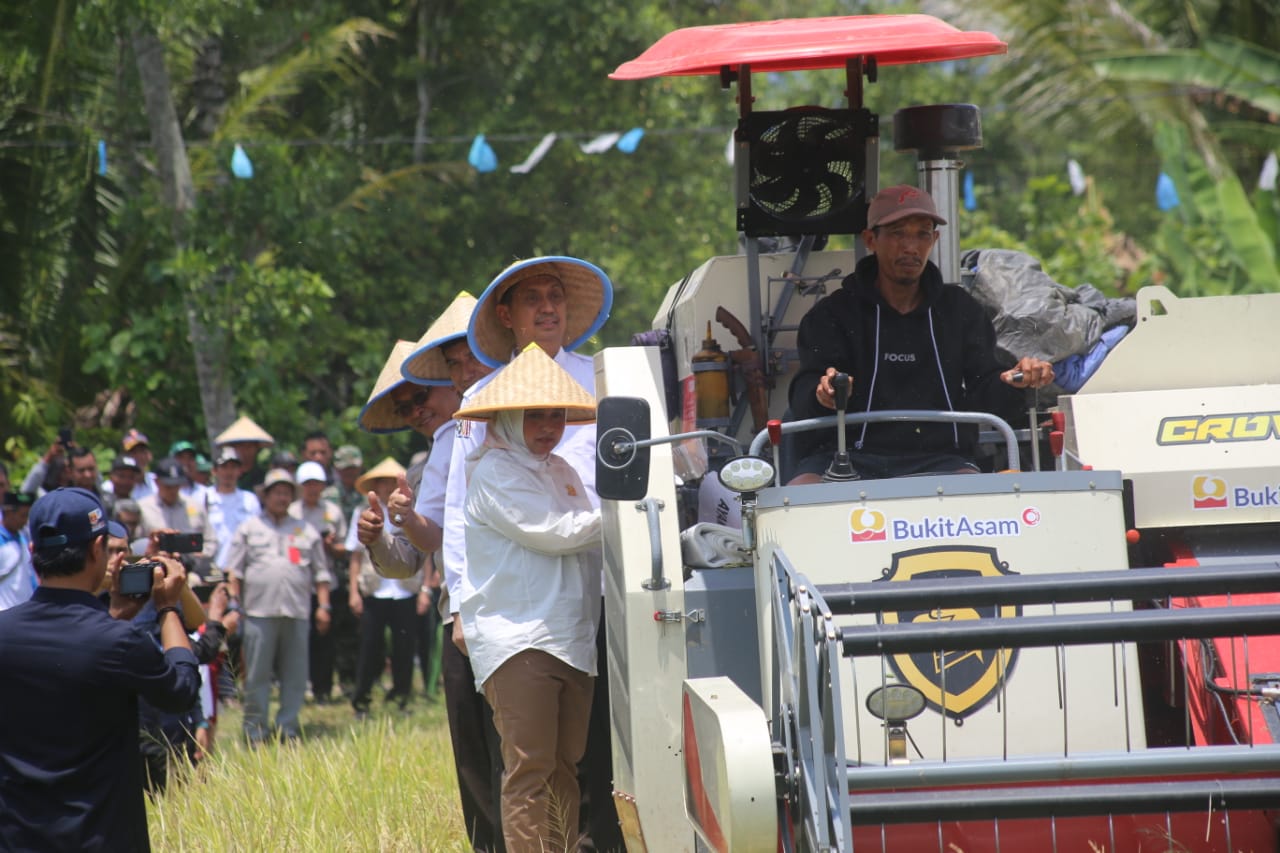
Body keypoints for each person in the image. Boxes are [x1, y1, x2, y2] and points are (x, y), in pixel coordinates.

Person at [458, 256, 622, 851]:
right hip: (521, 639)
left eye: (557, 412)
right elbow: (556, 533)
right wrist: (627, 514)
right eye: (536, 412)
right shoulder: (495, 471)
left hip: (571, 635)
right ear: (504, 413)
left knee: (564, 770)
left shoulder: (558, 471)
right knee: (529, 771)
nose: (550, 424)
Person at [788, 184, 1056, 484]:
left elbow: (988, 392)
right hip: (843, 460)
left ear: (935, 240)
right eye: (897, 233)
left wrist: (1019, 380)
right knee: (797, 496)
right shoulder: (832, 314)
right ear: (870, 240)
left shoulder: (960, 310)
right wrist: (823, 393)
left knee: (984, 502)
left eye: (922, 234)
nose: (910, 247)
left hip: (943, 461)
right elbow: (804, 394)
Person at [368, 313, 504, 851]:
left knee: (517, 754)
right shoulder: (428, 461)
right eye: (404, 408)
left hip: (510, 607)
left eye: (421, 396)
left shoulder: (504, 420)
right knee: (474, 755)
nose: (416, 412)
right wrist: (380, 533)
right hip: (460, 613)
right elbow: (412, 555)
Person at [0, 487, 198, 851]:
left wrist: (116, 616)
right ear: (97, 549)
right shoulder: (119, 642)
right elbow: (181, 692)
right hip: (101, 838)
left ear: (32, 552)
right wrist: (168, 608)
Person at [223, 468, 332, 743]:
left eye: (287, 493)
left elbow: (321, 573)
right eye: (277, 492)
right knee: (257, 675)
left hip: (297, 612)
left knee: (295, 676)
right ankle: (254, 730)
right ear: (267, 496)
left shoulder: (305, 530)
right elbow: (234, 572)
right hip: (259, 613)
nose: (282, 497)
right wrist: (234, 604)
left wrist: (324, 607)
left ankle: (288, 728)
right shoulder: (249, 528)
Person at [347, 457, 420, 717]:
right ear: (375, 486)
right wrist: (353, 592)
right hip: (375, 590)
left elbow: (426, 551)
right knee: (369, 647)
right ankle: (361, 700)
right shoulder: (362, 512)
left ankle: (401, 698)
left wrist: (424, 590)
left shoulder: (412, 511)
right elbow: (355, 556)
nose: (389, 487)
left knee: (404, 648)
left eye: (393, 481)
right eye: (383, 482)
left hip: (405, 590)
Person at [293, 459, 349, 704]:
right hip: (301, 584)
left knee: (326, 639)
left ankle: (323, 688)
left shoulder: (332, 512)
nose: (312, 489)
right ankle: (302, 684)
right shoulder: (293, 512)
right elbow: (289, 547)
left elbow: (343, 549)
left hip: (328, 582)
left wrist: (331, 546)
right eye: (308, 484)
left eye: (316, 484)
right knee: (301, 638)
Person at [215, 415, 275, 491]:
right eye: (241, 446)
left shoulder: (265, 477)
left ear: (257, 448)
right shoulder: (225, 476)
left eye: (249, 447)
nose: (245, 451)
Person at [0, 490, 35, 610]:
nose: (25, 521)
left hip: (24, 610)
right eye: (23, 516)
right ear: (8, 513)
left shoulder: (23, 538)